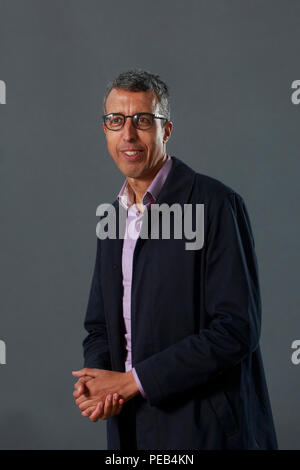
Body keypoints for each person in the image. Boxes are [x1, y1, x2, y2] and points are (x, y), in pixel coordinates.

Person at [72, 69, 278, 450]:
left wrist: (133, 382)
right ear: (105, 130)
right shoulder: (113, 215)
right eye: (117, 121)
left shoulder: (216, 204)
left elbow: (235, 330)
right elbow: (99, 324)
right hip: (130, 428)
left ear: (166, 131)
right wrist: (100, 382)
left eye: (143, 121)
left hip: (205, 431)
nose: (128, 135)